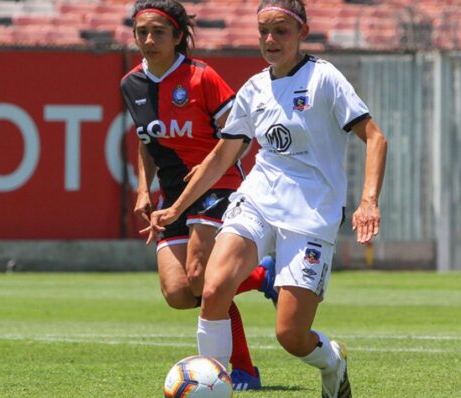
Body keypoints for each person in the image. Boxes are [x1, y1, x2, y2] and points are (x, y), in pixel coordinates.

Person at [146, 0, 388, 397]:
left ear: (302, 34)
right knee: (213, 287)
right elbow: (224, 153)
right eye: (263, 32)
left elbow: (376, 137)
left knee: (291, 335)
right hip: (257, 199)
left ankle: (333, 360)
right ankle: (214, 385)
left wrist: (369, 201)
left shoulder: (324, 79)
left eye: (281, 31)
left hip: (311, 213)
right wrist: (177, 205)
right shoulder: (255, 88)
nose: (270, 40)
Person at [120, 0, 279, 391]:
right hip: (172, 193)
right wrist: (144, 189)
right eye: (142, 32)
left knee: (200, 275)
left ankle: (242, 369)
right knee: (179, 293)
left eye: (159, 32)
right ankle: (261, 276)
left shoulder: (202, 77)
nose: (149, 40)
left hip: (218, 185)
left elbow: (237, 138)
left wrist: (209, 168)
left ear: (178, 36)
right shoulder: (131, 84)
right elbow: (148, 142)